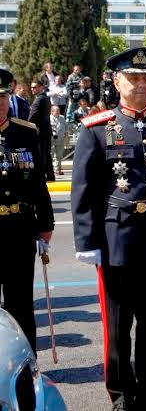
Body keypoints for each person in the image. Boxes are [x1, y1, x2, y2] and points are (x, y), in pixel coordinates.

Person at [71, 47, 146, 411]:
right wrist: (85, 238)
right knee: (119, 323)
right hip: (118, 237)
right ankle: (122, 394)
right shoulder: (97, 130)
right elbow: (83, 188)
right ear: (116, 81)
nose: (141, 85)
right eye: (133, 78)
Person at [0, 68, 54, 354]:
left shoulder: (24, 133)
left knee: (20, 306)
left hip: (19, 230)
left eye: (3, 97)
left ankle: (27, 366)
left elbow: (37, 183)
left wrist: (45, 223)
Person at [29, 81, 54, 181]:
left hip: (41, 131)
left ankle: (42, 176)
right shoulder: (45, 98)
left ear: (40, 87)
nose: (32, 89)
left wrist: (26, 125)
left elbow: (33, 115)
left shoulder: (39, 99)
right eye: (31, 87)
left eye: (34, 87)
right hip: (46, 131)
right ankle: (50, 175)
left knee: (41, 154)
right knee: (46, 154)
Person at [50, 105, 67, 175]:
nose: (58, 112)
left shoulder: (62, 118)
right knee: (51, 155)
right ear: (52, 111)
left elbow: (66, 127)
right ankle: (52, 170)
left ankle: (58, 169)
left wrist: (66, 135)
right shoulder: (49, 118)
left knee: (59, 156)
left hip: (61, 139)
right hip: (51, 140)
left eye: (58, 110)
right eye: (56, 110)